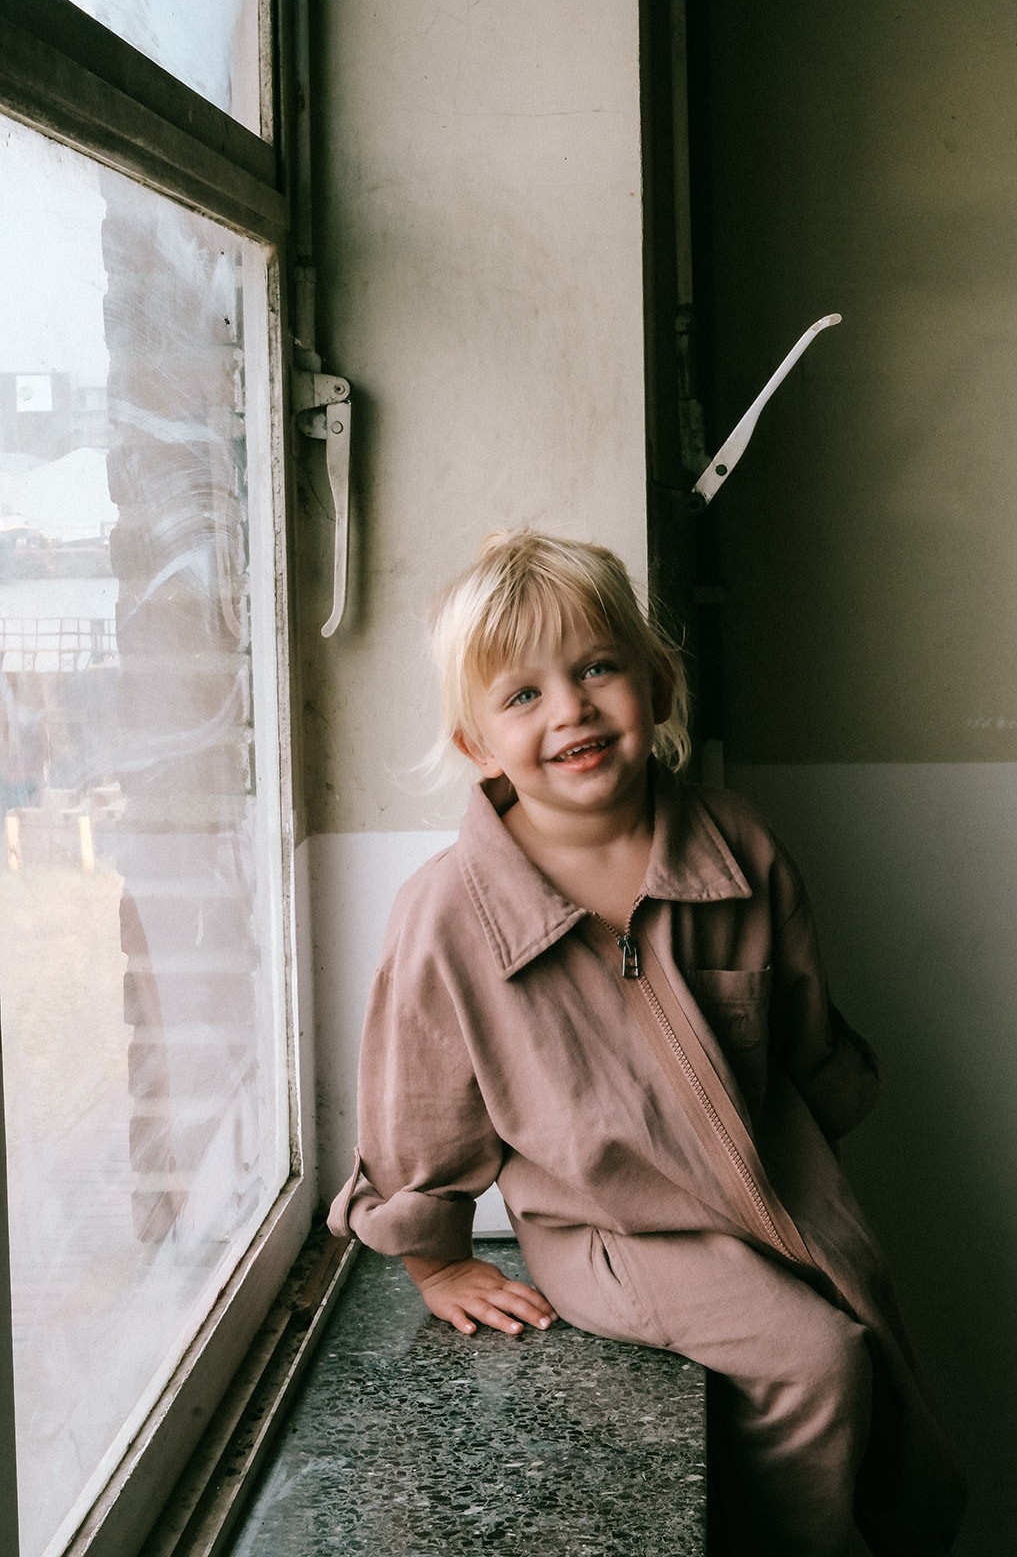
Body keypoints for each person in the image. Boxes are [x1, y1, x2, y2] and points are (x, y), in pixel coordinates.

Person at [328, 528, 966, 1556]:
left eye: (595, 669)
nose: (570, 709)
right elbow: (419, 1107)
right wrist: (436, 1263)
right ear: (477, 745)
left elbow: (802, 1031)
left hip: (762, 1182)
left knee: (879, 1348)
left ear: (656, 686)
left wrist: (814, 1167)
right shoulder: (446, 912)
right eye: (522, 694)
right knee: (815, 1358)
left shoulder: (737, 845)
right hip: (605, 1228)